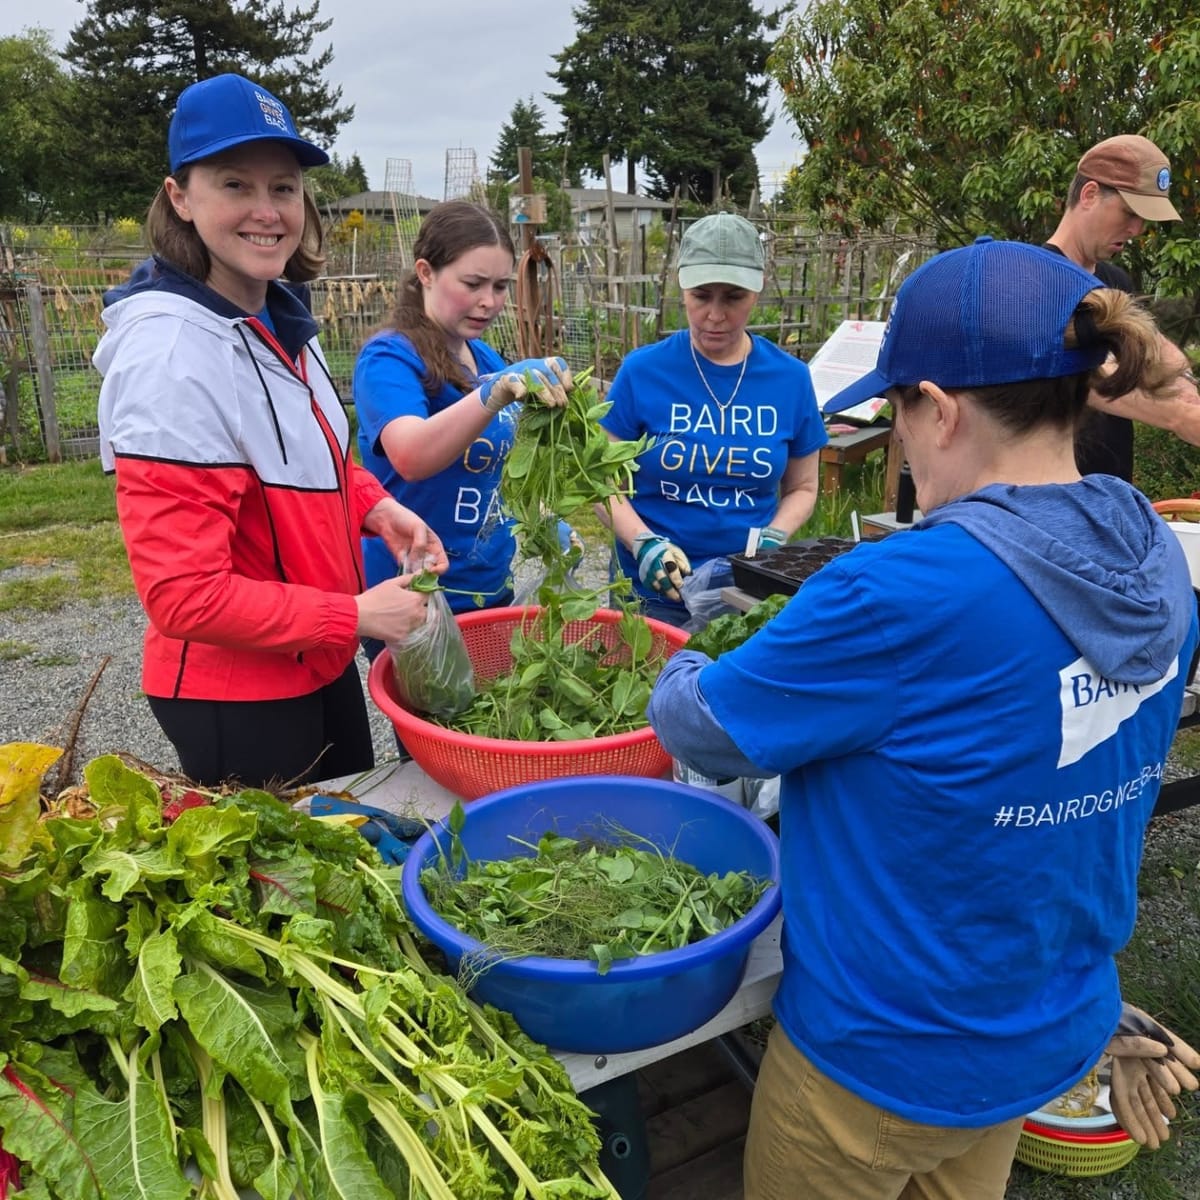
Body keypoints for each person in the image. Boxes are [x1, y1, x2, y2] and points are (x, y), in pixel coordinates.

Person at [646, 238, 1200, 1198]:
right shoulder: (1153, 555)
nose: (899, 437)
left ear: (937, 410)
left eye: (897, 411)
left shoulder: (901, 589)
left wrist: (698, 649)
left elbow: (700, 728)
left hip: (883, 1060)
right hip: (1035, 1040)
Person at [95, 73, 448, 790]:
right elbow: (183, 595)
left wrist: (376, 508)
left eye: (283, 188)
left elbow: (319, 463)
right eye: (234, 184)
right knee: (283, 888)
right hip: (236, 691)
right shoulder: (173, 354)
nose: (267, 211)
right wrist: (353, 612)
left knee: (347, 840)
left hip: (315, 656)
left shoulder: (281, 323)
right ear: (180, 198)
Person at [353, 200, 572, 646]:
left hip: (488, 587)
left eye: (500, 285)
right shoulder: (389, 358)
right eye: (472, 283)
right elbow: (411, 455)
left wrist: (543, 520)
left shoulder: (484, 359)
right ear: (426, 272)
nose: (488, 302)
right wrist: (491, 394)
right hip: (418, 594)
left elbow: (497, 471)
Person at [596, 211, 827, 627]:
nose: (715, 315)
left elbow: (804, 486)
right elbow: (598, 481)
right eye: (701, 296)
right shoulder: (643, 372)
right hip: (653, 591)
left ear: (755, 293)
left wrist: (776, 536)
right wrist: (641, 543)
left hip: (744, 590)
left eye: (733, 297)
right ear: (682, 288)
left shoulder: (790, 379)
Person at [1044, 133, 1200, 474]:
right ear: (1089, 195)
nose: (1137, 229)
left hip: (1114, 497)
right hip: (1055, 502)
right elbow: (1085, 380)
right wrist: (1179, 416)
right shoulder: (1038, 280)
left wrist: (1189, 392)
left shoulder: (1116, 280)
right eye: (1130, 213)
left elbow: (1155, 349)